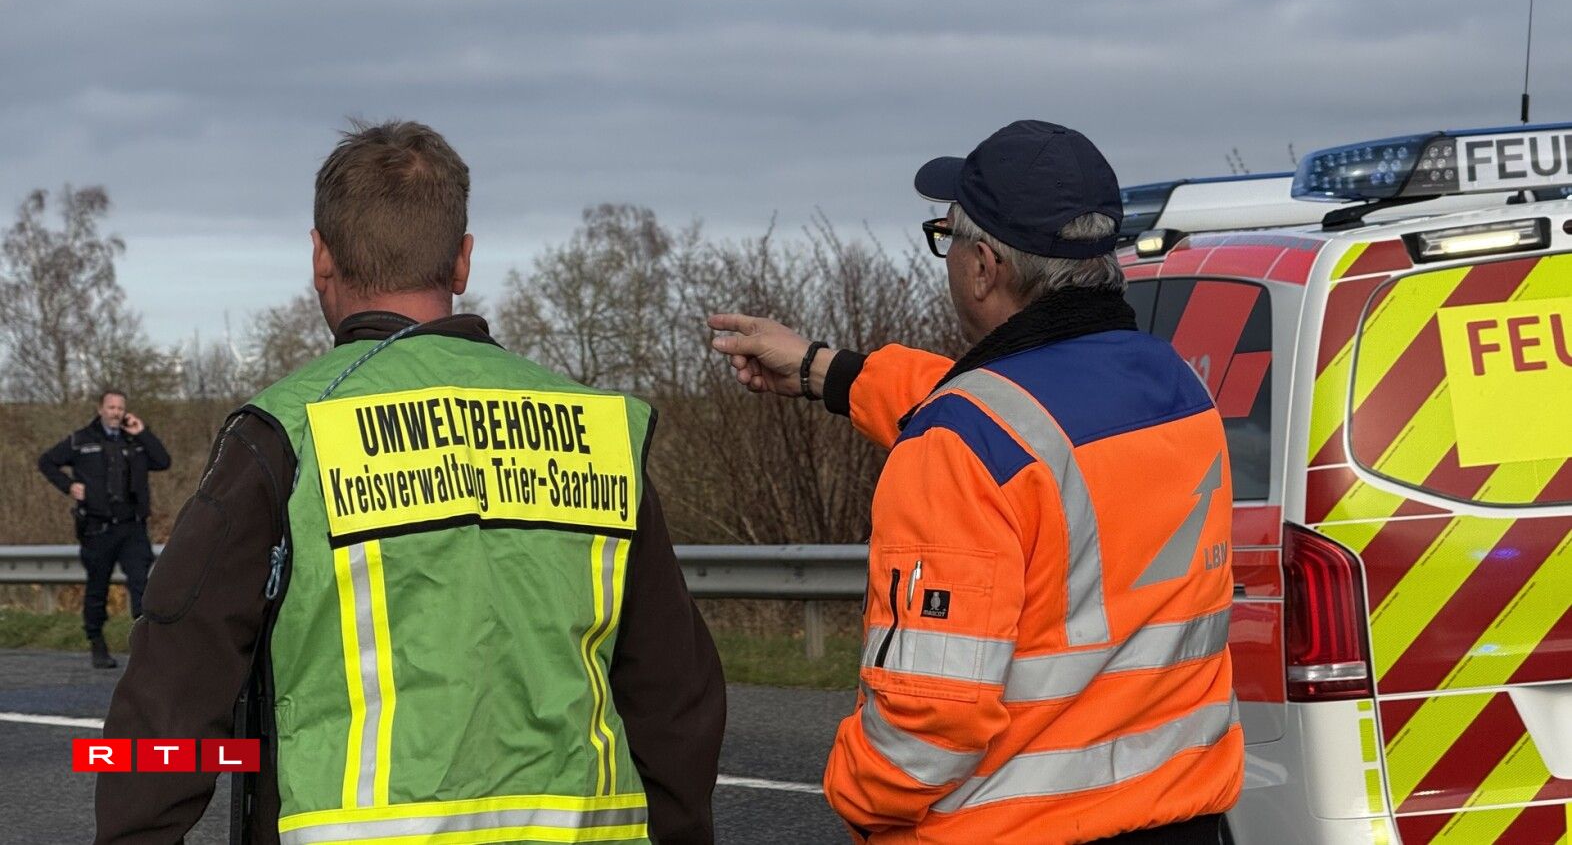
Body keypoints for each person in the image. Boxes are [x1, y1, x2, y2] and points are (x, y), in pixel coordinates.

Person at [97, 120, 726, 845]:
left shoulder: (286, 433)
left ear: (320, 257)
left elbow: (173, 690)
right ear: (461, 261)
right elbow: (675, 695)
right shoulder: (596, 431)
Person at [709, 120, 1242, 844]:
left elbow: (927, 728)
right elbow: (1018, 415)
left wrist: (854, 795)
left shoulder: (961, 445)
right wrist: (822, 369)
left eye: (948, 237)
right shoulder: (1176, 388)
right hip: (1183, 819)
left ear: (984, 266)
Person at [38, 389, 170, 669]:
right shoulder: (81, 440)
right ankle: (97, 642)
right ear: (100, 409)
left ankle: (145, 645)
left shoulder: (134, 440)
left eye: (120, 408)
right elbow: (46, 462)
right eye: (111, 407)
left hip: (132, 527)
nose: (116, 413)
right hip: (98, 529)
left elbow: (163, 461)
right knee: (97, 588)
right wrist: (68, 486)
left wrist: (143, 432)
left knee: (142, 585)